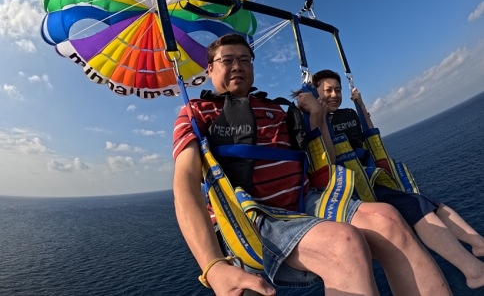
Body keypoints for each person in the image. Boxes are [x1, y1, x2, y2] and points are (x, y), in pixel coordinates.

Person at [172, 33, 451, 296]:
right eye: (227, 60)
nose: (237, 66)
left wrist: (317, 116)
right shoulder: (195, 113)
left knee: (388, 220)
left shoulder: (276, 109)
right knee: (343, 244)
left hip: (305, 200)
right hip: (252, 216)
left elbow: (325, 161)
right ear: (210, 69)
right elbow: (185, 186)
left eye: (245, 59)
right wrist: (212, 266)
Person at [312, 69, 484, 290]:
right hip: (351, 188)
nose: (335, 95)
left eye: (338, 90)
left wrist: (361, 105)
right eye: (328, 90)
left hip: (371, 178)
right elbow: (327, 160)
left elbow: (369, 135)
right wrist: (319, 117)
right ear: (316, 91)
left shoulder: (348, 115)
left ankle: (477, 243)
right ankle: (473, 270)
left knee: (430, 203)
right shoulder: (312, 121)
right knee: (416, 206)